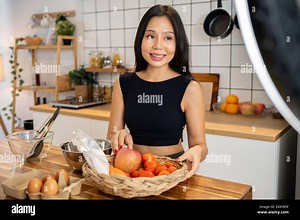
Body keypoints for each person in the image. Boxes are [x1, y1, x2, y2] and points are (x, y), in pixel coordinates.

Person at [107, 4, 208, 178]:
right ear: (141, 39)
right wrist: (119, 135)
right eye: (151, 36)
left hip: (171, 171)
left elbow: (200, 145)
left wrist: (198, 151)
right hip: (134, 172)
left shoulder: (189, 88)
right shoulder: (123, 83)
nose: (157, 45)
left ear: (178, 43)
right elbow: (112, 134)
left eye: (168, 38)